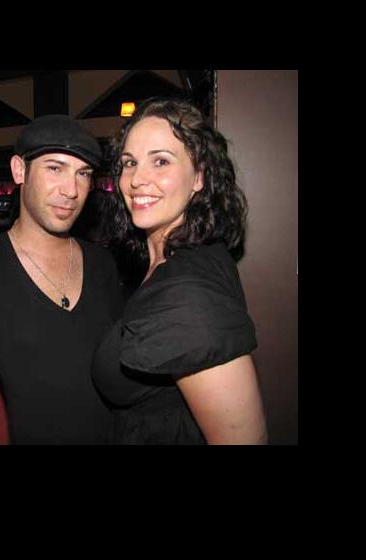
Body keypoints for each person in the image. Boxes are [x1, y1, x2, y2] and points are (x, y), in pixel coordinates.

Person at [92, 97, 267, 444]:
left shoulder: (185, 292)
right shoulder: (182, 258)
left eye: (160, 161)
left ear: (198, 176)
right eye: (130, 162)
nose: (137, 179)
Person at [0, 115, 123, 444]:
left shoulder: (102, 263)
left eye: (83, 173)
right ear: (20, 170)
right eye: (55, 168)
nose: (71, 191)